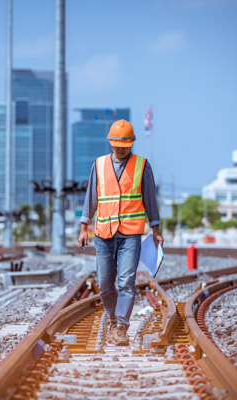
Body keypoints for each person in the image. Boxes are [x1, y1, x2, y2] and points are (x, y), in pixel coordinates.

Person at [77, 119, 163, 346]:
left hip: (130, 234)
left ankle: (122, 326)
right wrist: (83, 227)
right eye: (117, 144)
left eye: (125, 145)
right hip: (104, 233)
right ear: (110, 143)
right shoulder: (99, 164)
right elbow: (91, 199)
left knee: (126, 282)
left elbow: (150, 200)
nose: (120, 148)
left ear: (132, 143)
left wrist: (156, 229)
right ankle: (116, 319)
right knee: (105, 284)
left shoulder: (142, 166)